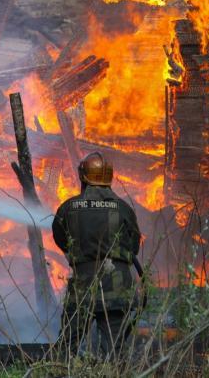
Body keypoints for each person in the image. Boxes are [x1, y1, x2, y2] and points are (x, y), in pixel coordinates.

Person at [52, 152, 142, 359]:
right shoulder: (123, 208)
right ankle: (111, 372)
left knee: (67, 347)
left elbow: (60, 238)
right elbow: (134, 246)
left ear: (82, 176)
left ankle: (62, 372)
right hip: (116, 288)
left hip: (82, 288)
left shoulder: (68, 208)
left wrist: (77, 254)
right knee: (114, 351)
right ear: (109, 177)